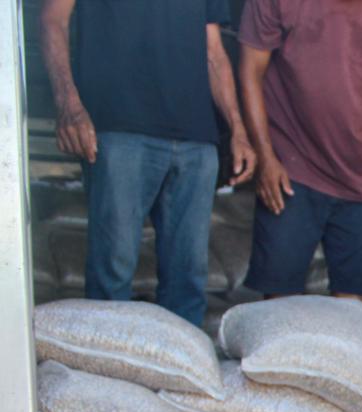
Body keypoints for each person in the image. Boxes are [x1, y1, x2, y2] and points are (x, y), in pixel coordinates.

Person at [40, 0, 255, 327]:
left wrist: (238, 129)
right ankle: (108, 372)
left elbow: (214, 52)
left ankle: (181, 375)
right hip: (120, 130)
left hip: (196, 139)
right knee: (112, 274)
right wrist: (68, 103)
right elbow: (52, 20)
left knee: (189, 281)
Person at [237, 0, 362, 305]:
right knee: (279, 301)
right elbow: (251, 70)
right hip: (291, 170)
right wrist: (266, 157)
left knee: (355, 305)